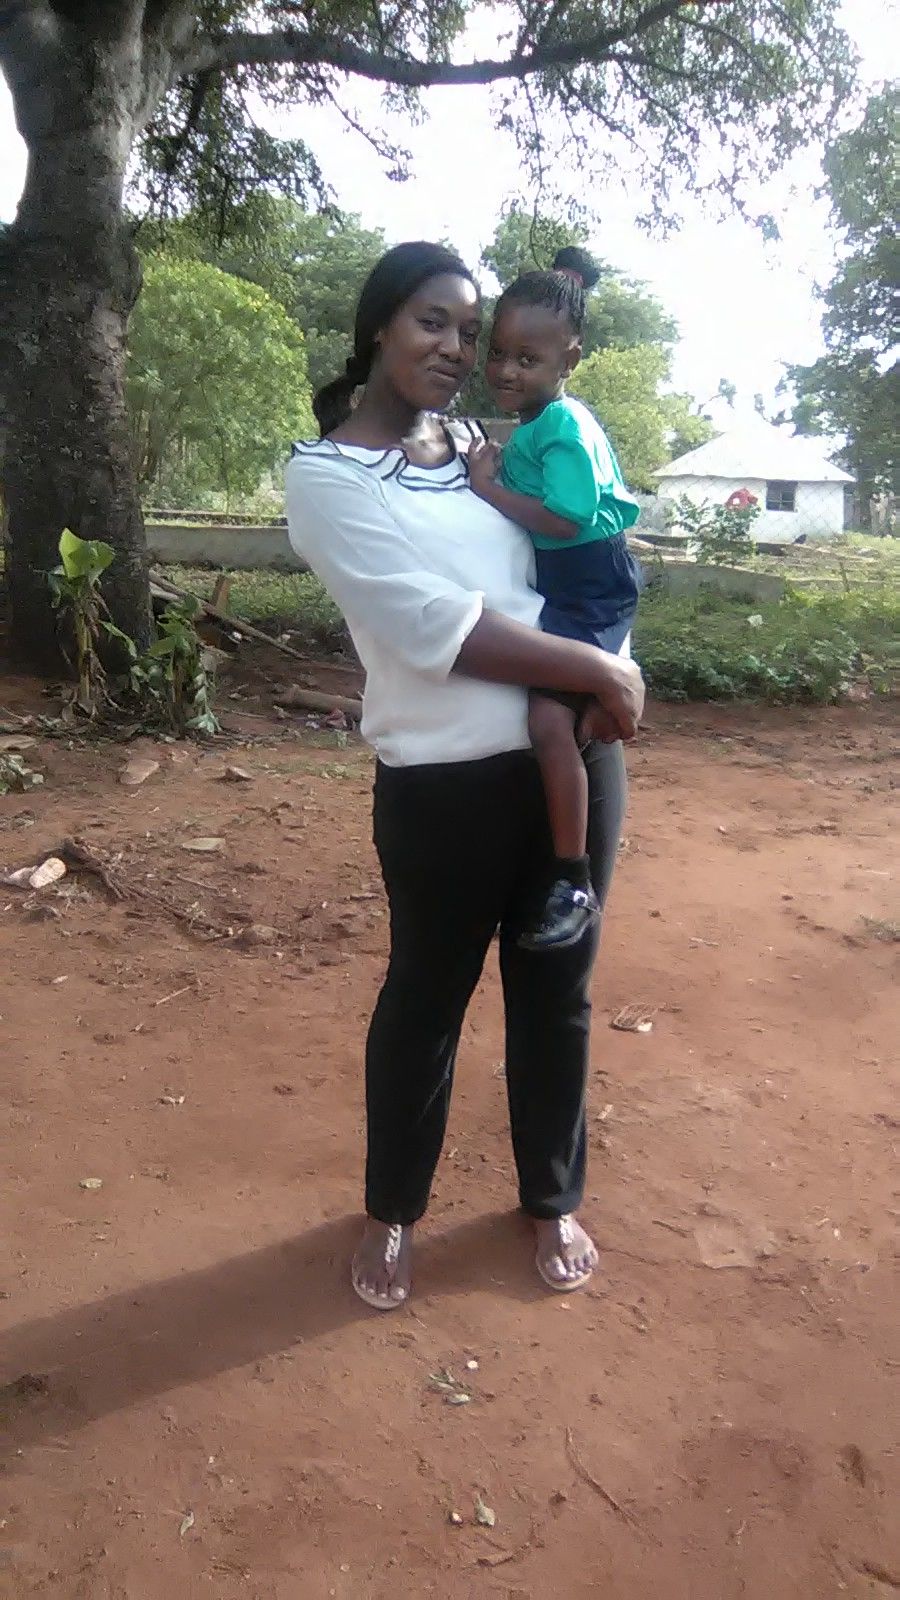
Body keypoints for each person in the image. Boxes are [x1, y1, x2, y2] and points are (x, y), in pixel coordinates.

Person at [284, 241, 645, 1311]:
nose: (455, 348)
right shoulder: (326, 477)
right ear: (380, 327)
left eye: (470, 331)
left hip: (570, 769)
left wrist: (606, 665)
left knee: (558, 996)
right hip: (442, 786)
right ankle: (393, 1210)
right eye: (432, 322)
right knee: (425, 1000)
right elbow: (428, 623)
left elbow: (578, 565)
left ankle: (551, 1198)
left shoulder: (490, 447)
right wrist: (600, 673)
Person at [467, 247, 644, 952]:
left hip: (588, 582)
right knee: (561, 707)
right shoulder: (543, 423)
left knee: (547, 722)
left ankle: (573, 881)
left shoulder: (564, 427)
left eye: (528, 359)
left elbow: (567, 519)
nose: (507, 371)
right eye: (498, 354)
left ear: (569, 360)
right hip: (576, 581)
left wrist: (488, 489)